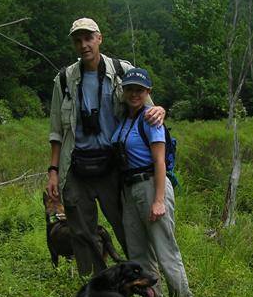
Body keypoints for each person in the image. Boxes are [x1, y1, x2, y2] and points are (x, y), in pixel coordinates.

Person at [47, 17, 165, 277]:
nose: (84, 45)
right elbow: (57, 130)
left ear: (99, 39)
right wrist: (53, 171)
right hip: (76, 167)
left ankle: (146, 287)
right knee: (82, 234)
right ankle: (98, 288)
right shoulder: (64, 79)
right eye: (78, 40)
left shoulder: (121, 71)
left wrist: (159, 110)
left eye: (88, 38)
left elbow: (148, 108)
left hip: (113, 167)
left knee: (128, 230)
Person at [111, 67, 194, 297]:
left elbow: (159, 162)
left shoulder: (151, 119)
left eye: (139, 89)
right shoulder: (124, 119)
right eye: (130, 89)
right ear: (123, 91)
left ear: (148, 92)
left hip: (151, 185)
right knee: (138, 252)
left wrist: (159, 201)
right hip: (130, 189)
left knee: (165, 249)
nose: (134, 94)